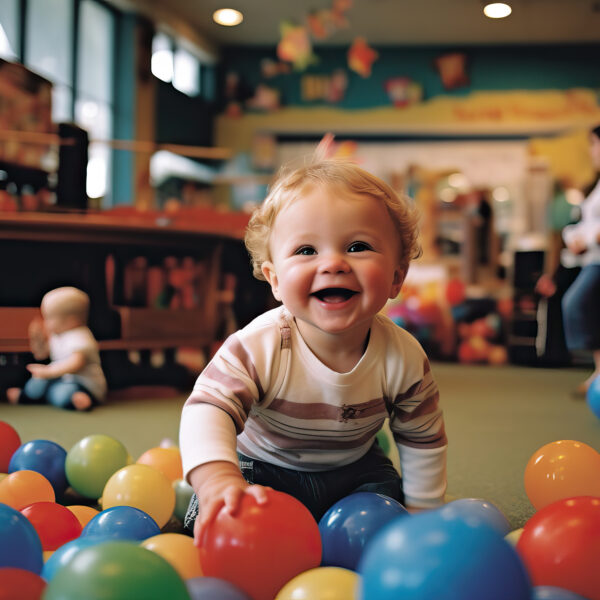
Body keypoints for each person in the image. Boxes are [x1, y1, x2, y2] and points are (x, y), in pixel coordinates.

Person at [179, 152, 448, 544]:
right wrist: (218, 481)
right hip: (262, 468)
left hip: (355, 471)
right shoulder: (260, 344)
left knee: (388, 523)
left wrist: (425, 512)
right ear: (274, 279)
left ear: (396, 276)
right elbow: (208, 409)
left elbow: (421, 435)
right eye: (307, 250)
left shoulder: (403, 356)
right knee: (227, 522)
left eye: (357, 246)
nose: (333, 263)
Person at [6, 286, 107, 410]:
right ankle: (26, 395)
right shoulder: (57, 336)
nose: (46, 322)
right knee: (38, 380)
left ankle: (79, 398)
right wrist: (38, 340)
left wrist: (49, 372)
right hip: (61, 378)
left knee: (62, 391)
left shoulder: (80, 336)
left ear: (71, 320)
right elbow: (42, 355)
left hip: (83, 384)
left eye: (49, 318)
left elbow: (76, 363)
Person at [560, 125, 600, 395]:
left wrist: (587, 240)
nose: (592, 151)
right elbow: (585, 223)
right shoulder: (594, 186)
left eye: (595, 144)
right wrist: (574, 238)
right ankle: (598, 373)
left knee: (577, 303)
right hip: (590, 259)